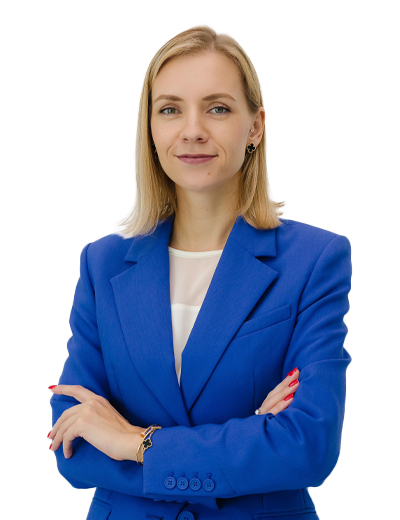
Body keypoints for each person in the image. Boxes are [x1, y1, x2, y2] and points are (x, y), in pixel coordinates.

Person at [48, 25, 352, 520]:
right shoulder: (102, 265)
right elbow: (74, 446)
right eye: (170, 109)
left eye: (218, 108)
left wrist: (135, 441)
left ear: (255, 127)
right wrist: (250, 438)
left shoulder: (314, 260)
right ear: (150, 128)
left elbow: (307, 444)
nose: (192, 130)